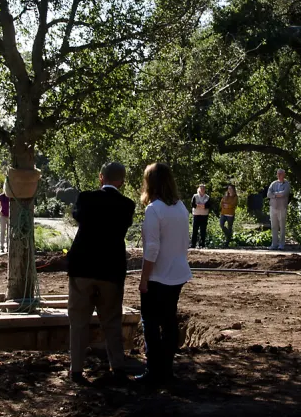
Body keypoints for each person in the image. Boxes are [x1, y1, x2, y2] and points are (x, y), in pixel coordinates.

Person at [63, 161, 137, 386]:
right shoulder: (127, 205)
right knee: (112, 321)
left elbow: (78, 216)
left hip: (83, 267)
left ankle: (76, 370)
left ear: (100, 177)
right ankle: (118, 367)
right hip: (111, 270)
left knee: (78, 321)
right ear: (122, 181)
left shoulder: (86, 198)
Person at [137, 162, 191, 387]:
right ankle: (167, 371)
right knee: (169, 323)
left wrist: (143, 278)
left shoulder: (154, 209)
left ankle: (153, 371)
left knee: (150, 323)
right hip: (178, 273)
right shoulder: (181, 207)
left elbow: (152, 248)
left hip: (158, 275)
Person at [266, 169, 290, 250]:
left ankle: (281, 244)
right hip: (273, 207)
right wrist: (276, 195)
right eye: (278, 174)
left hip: (282, 207)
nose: (278, 175)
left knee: (282, 226)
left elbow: (284, 193)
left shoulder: (286, 183)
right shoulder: (273, 183)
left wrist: (274, 194)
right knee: (274, 226)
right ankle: (274, 244)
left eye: (280, 174)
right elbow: (268, 194)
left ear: (284, 175)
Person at [190, 183, 211, 248]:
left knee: (203, 230)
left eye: (203, 188)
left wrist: (201, 206)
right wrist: (199, 205)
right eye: (201, 188)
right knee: (195, 230)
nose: (202, 190)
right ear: (199, 189)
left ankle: (202, 244)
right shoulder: (195, 196)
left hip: (204, 215)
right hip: (196, 214)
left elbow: (208, 205)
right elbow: (193, 204)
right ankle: (193, 244)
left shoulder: (207, 197)